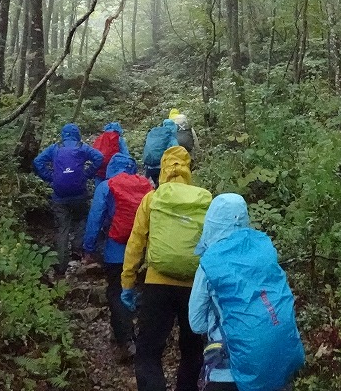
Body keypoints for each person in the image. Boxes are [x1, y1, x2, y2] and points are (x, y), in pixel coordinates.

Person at [188, 193, 305, 391]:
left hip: (227, 373)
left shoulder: (209, 264)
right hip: (275, 366)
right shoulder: (264, 251)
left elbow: (196, 323)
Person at [122, 146, 211, 391]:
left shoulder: (152, 198)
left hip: (157, 284)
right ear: (188, 168)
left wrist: (128, 282)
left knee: (148, 351)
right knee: (192, 349)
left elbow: (136, 242)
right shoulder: (205, 199)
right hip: (194, 286)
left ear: (162, 168)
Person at [83, 152, 154, 362]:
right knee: (141, 290)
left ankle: (125, 339)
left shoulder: (106, 186)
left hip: (116, 251)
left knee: (117, 292)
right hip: (143, 251)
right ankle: (145, 337)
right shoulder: (145, 186)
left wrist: (89, 247)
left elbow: (95, 217)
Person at [32, 123, 104, 274]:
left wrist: (50, 177)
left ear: (63, 135)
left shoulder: (55, 148)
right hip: (79, 193)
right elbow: (99, 157)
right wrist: (87, 174)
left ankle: (61, 266)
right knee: (81, 218)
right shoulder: (82, 148)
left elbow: (37, 161)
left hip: (59, 195)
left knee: (62, 228)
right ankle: (78, 249)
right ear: (78, 134)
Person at [141, 117, 179, 186]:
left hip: (149, 166)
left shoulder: (155, 135)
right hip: (162, 167)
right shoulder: (171, 137)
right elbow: (177, 152)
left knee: (154, 185)